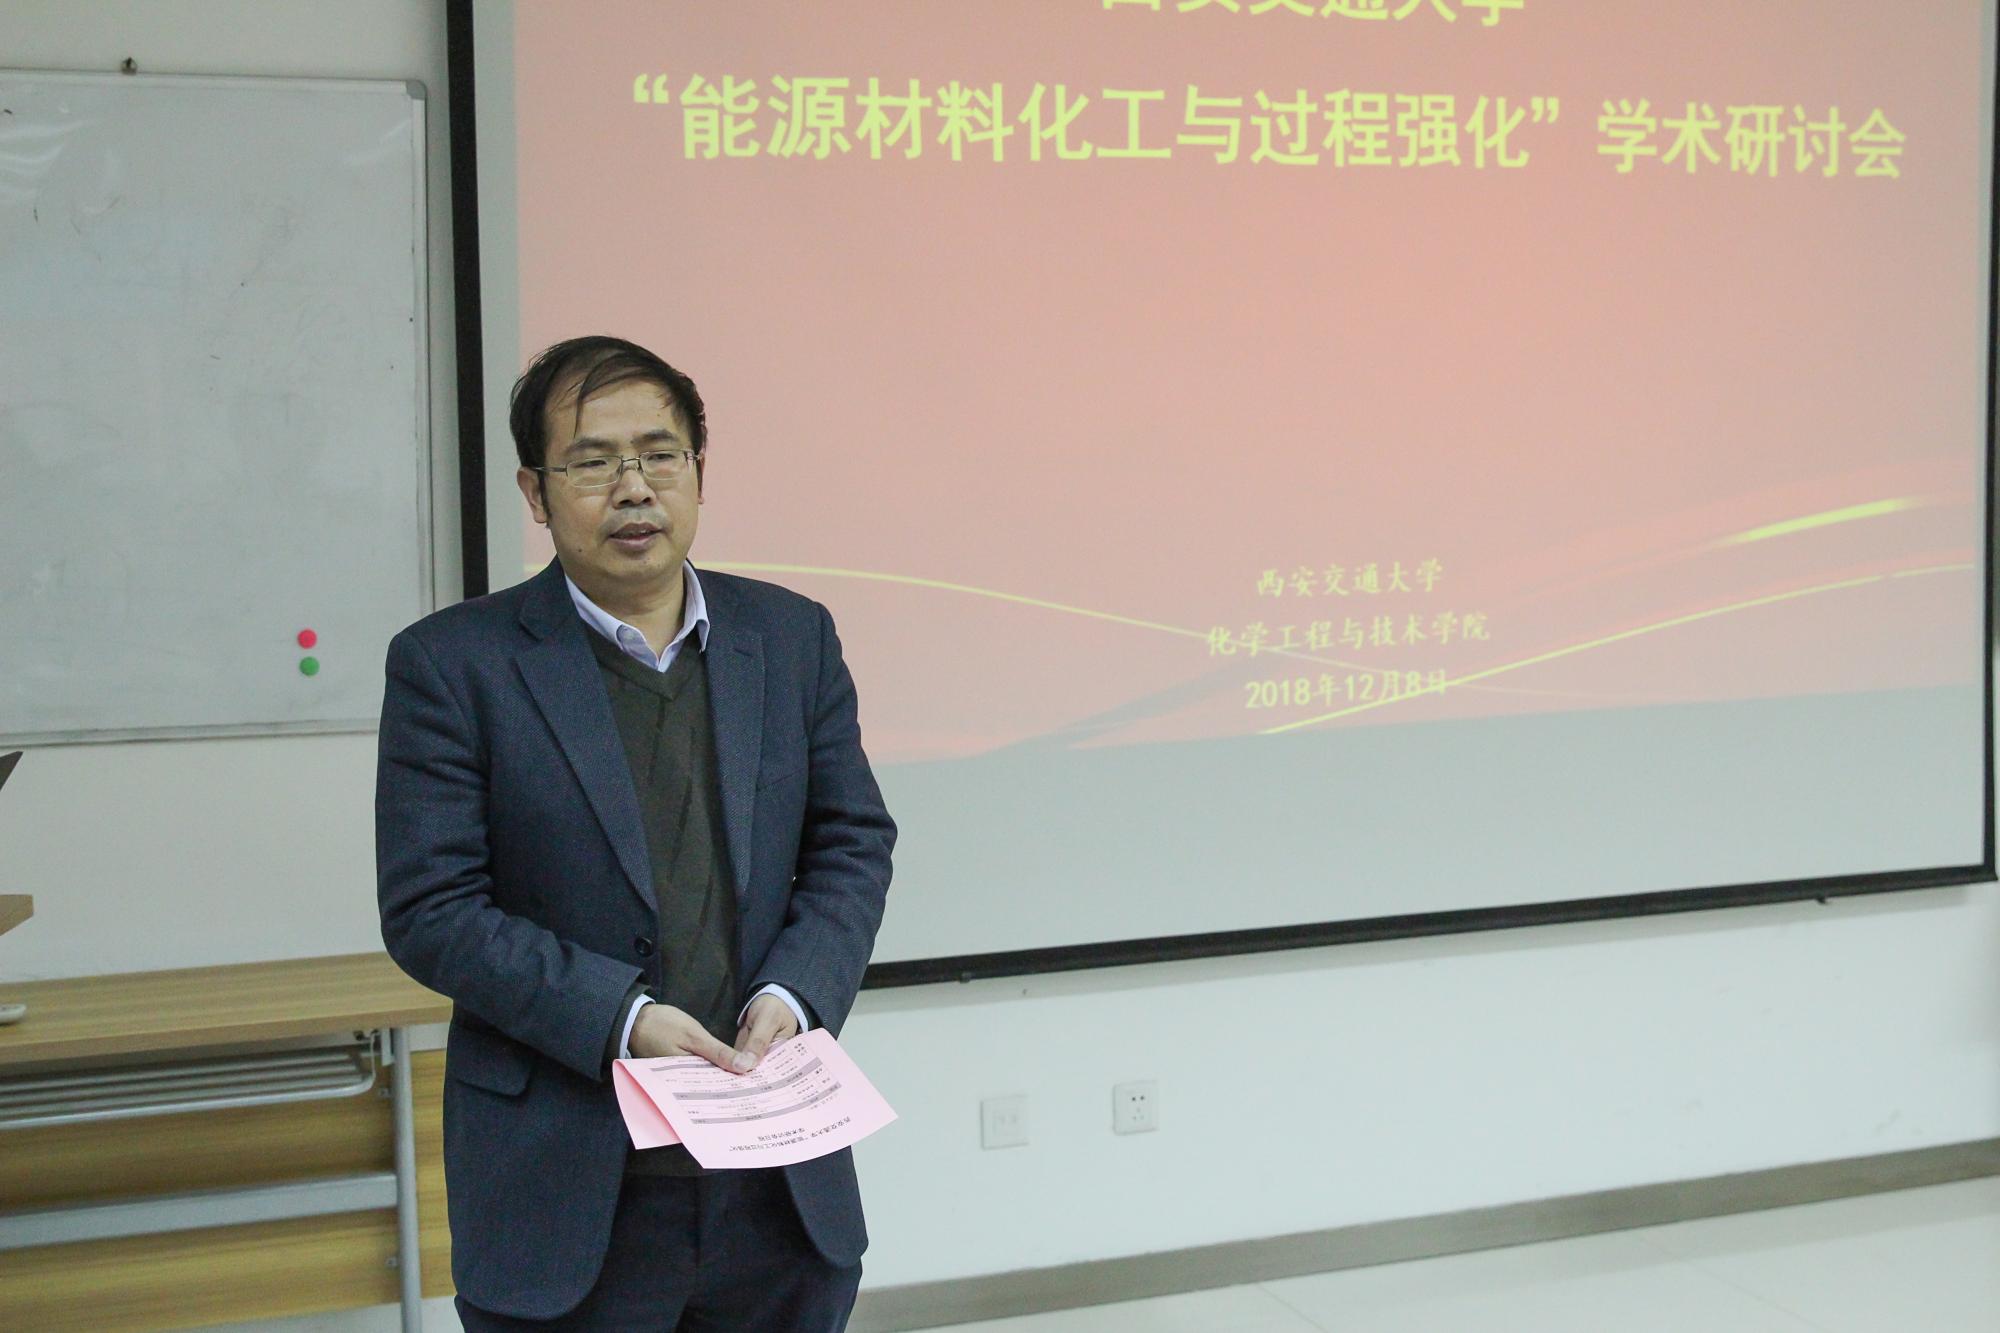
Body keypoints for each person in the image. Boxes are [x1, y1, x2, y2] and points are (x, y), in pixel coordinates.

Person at [376, 335, 895, 1329]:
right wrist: (622, 1017)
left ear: (698, 470)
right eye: (592, 462)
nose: (634, 487)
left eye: (660, 454)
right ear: (534, 493)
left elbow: (852, 842)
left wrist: (795, 991)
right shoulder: (453, 666)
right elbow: (431, 910)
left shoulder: (789, 637)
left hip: (774, 1176)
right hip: (569, 1187)